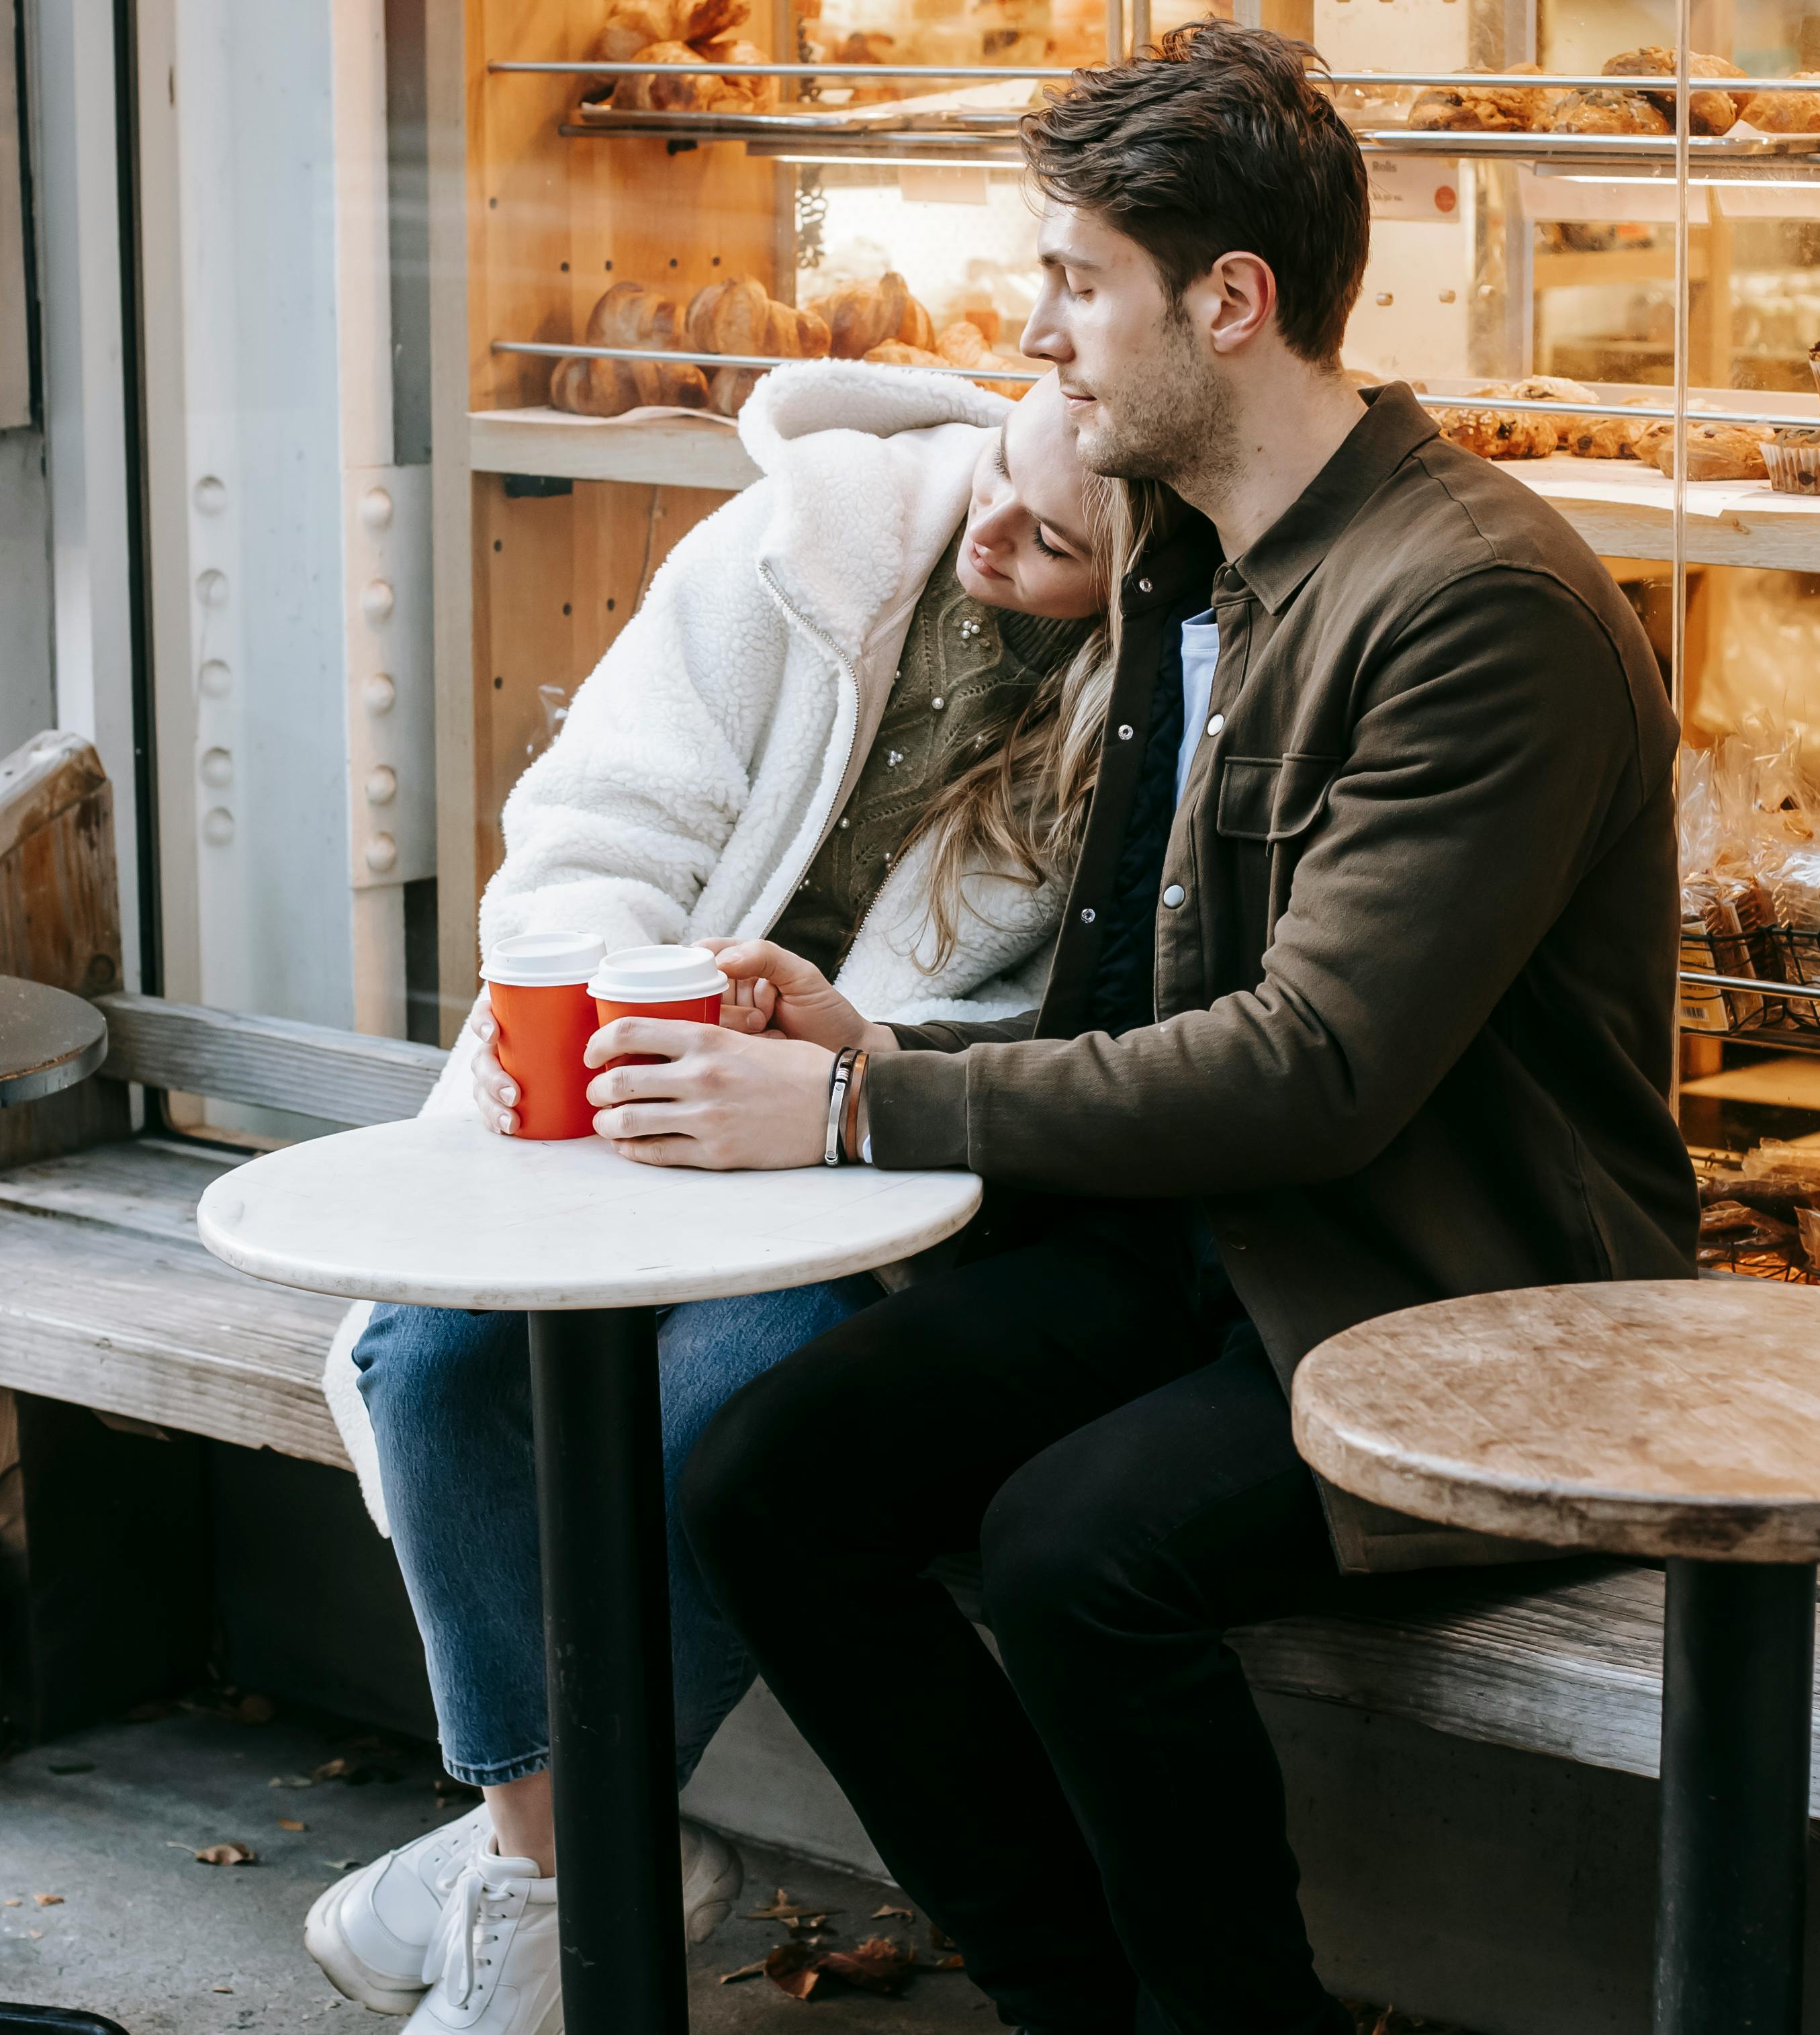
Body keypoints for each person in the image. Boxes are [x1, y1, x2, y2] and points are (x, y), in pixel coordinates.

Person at [548, 24, 1696, 2032]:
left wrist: (852, 1103)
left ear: (1227, 303)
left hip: (1460, 1300)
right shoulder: (1203, 565)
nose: (1041, 332)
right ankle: (1072, 1997)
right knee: (768, 1480)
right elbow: (1123, 997)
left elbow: (1315, 1069)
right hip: (1207, 1252)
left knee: (1077, 1551)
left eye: (1079, 280)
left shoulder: (1475, 603)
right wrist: (859, 1022)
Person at [306, 365, 1164, 2032]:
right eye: (996, 476)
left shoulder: (1144, 719)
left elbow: (1061, 1035)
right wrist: (580, 1001)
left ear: (1137, 571)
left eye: (1053, 542)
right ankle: (566, 1865)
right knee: (432, 1357)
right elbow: (597, 813)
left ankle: (534, 1875)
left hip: (853, 1166)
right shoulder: (800, 543)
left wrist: (858, 1056)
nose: (992, 531)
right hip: (623, 1089)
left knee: (726, 1410)